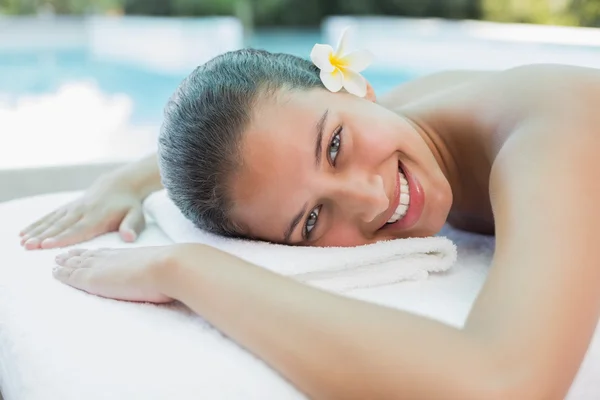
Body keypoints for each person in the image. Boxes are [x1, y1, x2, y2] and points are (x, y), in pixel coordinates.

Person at [18, 32, 600, 398]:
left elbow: (503, 382)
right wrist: (125, 179)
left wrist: (187, 270)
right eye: (313, 221)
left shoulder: (551, 132)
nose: (371, 199)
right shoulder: (390, 116)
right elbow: (264, 143)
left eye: (336, 147)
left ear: (353, 87)